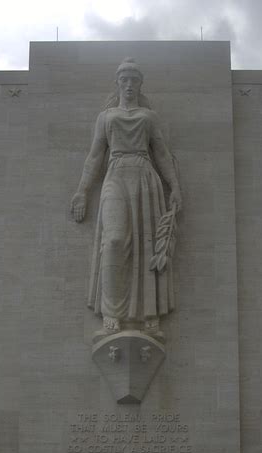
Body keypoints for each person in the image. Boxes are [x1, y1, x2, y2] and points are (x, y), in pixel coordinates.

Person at [71, 58, 182, 334]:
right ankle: (112, 313)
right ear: (118, 83)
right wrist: (82, 191)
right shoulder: (106, 117)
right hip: (116, 175)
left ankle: (149, 315)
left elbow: (162, 154)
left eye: (134, 80)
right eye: (125, 79)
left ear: (140, 84)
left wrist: (175, 186)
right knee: (114, 240)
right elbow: (95, 156)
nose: (129, 84)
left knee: (147, 247)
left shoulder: (149, 117)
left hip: (145, 177)